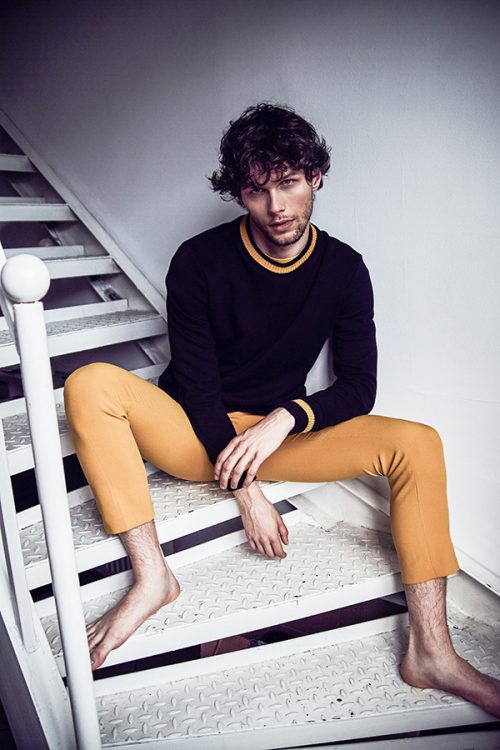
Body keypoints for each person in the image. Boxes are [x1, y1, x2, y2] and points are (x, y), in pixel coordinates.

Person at [64, 103, 500, 717]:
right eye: (257, 190)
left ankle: (432, 652)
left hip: (277, 436)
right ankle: (153, 577)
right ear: (239, 193)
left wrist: (285, 418)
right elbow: (198, 386)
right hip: (195, 432)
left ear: (315, 176)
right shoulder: (198, 260)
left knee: (418, 441)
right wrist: (247, 493)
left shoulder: (344, 269)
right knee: (88, 382)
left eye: (289, 183)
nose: (277, 207)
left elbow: (360, 387)